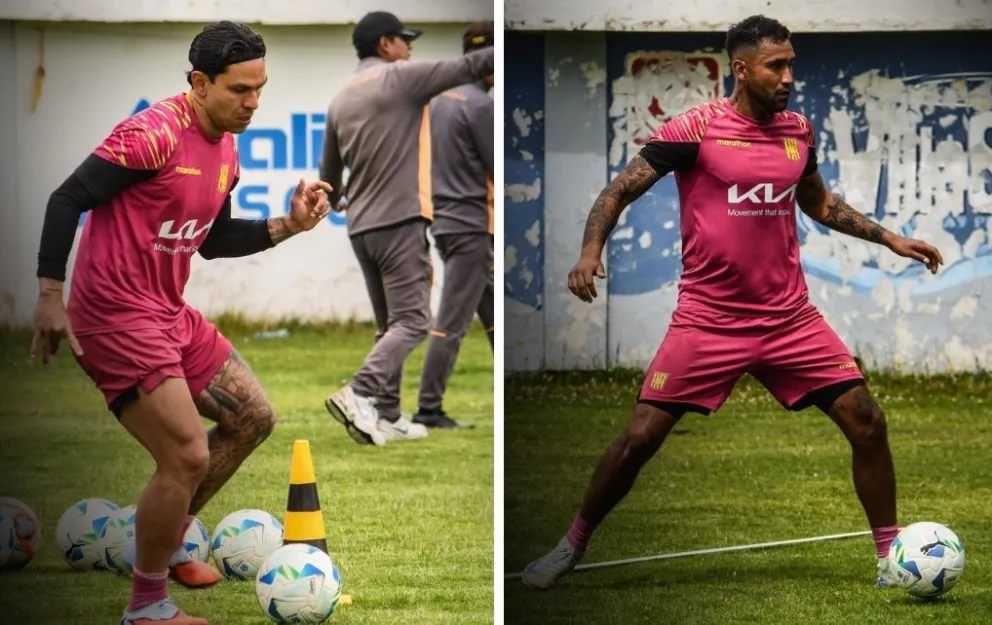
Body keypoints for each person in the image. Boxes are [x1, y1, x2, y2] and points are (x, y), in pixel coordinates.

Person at [521, 14, 945, 591]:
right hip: (709, 320)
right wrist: (589, 250)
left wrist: (889, 238)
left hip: (789, 319)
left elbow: (819, 204)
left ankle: (889, 561)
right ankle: (570, 545)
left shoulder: (798, 131)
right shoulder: (696, 129)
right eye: (776, 66)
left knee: (867, 422)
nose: (788, 76)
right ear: (742, 70)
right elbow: (618, 189)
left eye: (791, 64)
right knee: (640, 437)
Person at [31, 21, 331, 624]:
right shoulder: (153, 134)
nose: (253, 102)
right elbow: (66, 199)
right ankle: (146, 606)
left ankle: (164, 541)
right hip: (113, 317)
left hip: (167, 312)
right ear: (199, 83)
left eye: (260, 88)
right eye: (240, 89)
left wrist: (290, 225)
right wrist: (49, 295)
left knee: (254, 418)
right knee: (188, 454)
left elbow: (212, 241)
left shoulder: (226, 148)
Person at [319, 11, 495, 446]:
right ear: (385, 44)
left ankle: (389, 415)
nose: (410, 47)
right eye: (404, 40)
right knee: (415, 320)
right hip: (400, 221)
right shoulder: (400, 78)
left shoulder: (340, 98)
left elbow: (330, 180)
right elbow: (472, 65)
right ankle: (359, 391)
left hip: (360, 227)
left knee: (390, 326)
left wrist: (339, 195)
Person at [413, 20, 496, 430]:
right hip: (471, 225)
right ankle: (428, 408)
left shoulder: (438, 101)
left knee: (494, 314)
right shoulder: (480, 105)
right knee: (451, 322)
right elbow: (496, 165)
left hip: (446, 222)